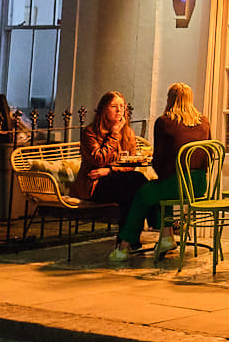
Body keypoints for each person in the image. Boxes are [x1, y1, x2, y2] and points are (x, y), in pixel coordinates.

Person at [112, 83, 213, 265]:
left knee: (143, 193)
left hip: (176, 184)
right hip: (199, 185)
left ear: (170, 99)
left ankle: (124, 247)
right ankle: (166, 236)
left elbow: (159, 161)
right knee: (156, 191)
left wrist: (159, 166)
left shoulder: (164, 122)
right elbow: (209, 155)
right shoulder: (204, 122)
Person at [73, 92, 149, 227]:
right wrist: (114, 134)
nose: (119, 110)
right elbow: (99, 160)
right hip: (94, 185)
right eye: (114, 106)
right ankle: (158, 224)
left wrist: (109, 170)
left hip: (118, 179)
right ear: (104, 109)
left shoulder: (128, 132)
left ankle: (127, 236)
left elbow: (131, 163)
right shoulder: (90, 132)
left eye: (122, 106)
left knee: (133, 188)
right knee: (136, 183)